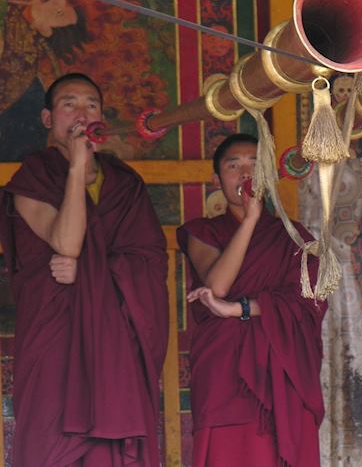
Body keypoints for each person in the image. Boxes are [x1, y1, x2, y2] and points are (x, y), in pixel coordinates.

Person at [0, 73, 169, 466]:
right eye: (69, 104)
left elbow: (148, 263)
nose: (81, 112)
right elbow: (66, 242)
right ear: (47, 119)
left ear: (101, 118)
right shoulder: (32, 179)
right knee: (50, 444)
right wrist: (77, 168)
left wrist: (90, 274)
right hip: (54, 345)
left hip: (115, 350)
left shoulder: (125, 183)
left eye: (91, 104)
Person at [177, 133, 327, 467]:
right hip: (225, 376)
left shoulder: (296, 238)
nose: (246, 174)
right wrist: (250, 221)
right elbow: (216, 285)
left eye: (255, 166)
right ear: (217, 180)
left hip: (282, 376)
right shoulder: (202, 231)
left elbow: (308, 303)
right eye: (234, 166)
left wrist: (241, 308)